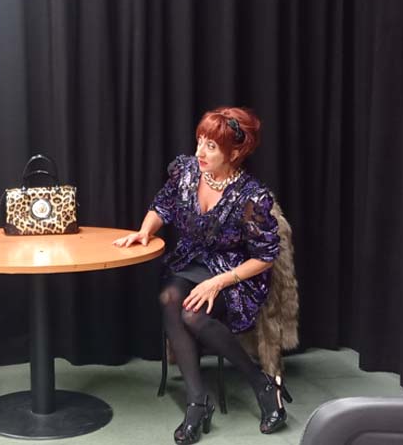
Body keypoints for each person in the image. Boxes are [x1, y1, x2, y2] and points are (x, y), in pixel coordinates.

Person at [113, 107, 291, 444]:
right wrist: (145, 230)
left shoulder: (251, 196)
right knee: (169, 297)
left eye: (211, 146)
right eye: (199, 141)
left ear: (234, 153)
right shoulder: (186, 171)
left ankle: (262, 384)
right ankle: (198, 401)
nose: (200, 152)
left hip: (235, 273)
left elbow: (265, 257)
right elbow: (163, 205)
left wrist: (218, 281)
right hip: (192, 261)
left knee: (192, 316)